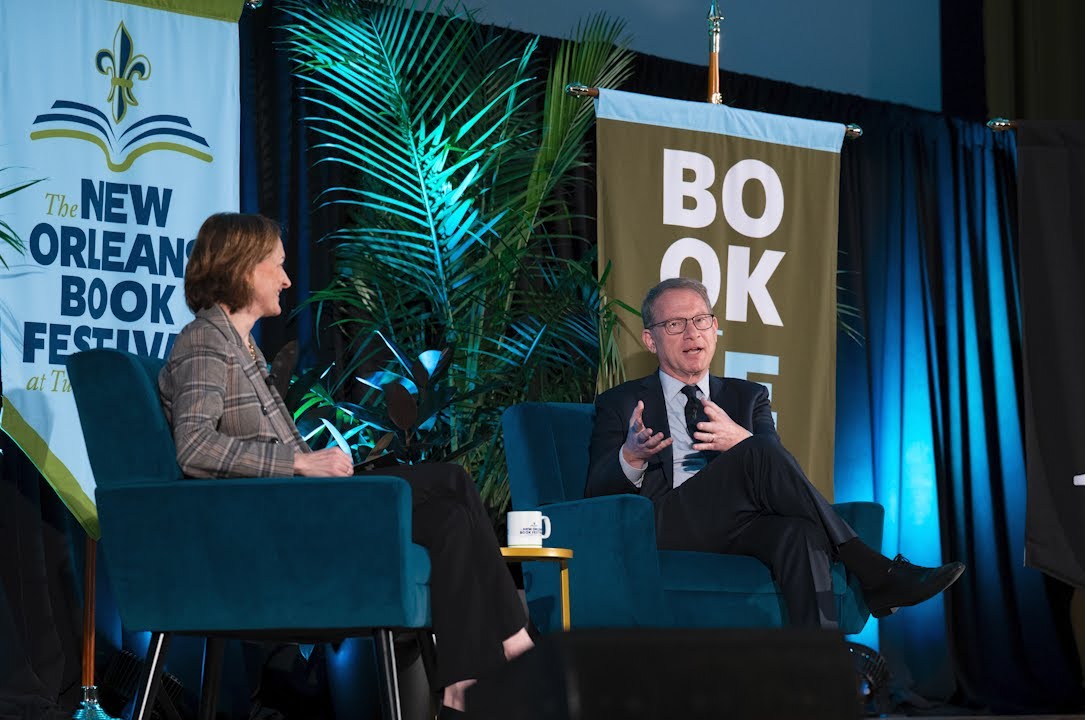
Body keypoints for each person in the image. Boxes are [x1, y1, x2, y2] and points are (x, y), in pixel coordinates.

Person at [158, 212, 524, 717]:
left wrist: (314, 468)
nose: (287, 279)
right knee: (449, 488)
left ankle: (465, 680)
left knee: (451, 510)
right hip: (276, 524)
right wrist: (301, 464)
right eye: (277, 266)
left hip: (302, 508)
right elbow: (195, 448)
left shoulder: (240, 346)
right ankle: (513, 643)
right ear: (243, 268)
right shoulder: (204, 341)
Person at [587, 277, 965, 628]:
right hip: (664, 523)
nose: (692, 333)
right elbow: (593, 493)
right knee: (759, 449)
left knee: (798, 533)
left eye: (701, 320)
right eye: (675, 324)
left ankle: (816, 669)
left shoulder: (748, 396)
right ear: (650, 340)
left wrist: (739, 440)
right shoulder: (620, 402)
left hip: (740, 524)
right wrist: (632, 456)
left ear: (714, 328)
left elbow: (777, 477)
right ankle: (874, 570)